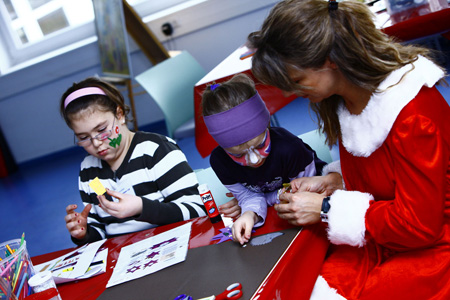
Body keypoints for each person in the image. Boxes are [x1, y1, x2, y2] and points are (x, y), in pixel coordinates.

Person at [247, 0, 450, 299]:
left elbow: (420, 226)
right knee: (306, 287)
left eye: (297, 80)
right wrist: (335, 181)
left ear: (330, 59)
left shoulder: (412, 113)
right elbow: (389, 172)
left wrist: (327, 209)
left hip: (433, 243)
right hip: (383, 233)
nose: (292, 93)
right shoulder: (345, 98)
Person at [60, 77, 206, 246]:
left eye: (101, 130)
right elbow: (100, 228)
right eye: (83, 138)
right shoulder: (89, 171)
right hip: (126, 258)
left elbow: (197, 209)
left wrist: (142, 207)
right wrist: (84, 233)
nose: (96, 143)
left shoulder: (155, 150)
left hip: (175, 246)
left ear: (119, 115)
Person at [202, 73, 330, 244]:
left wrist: (255, 202)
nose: (255, 160)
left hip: (318, 203)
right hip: (279, 213)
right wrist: (249, 214)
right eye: (239, 154)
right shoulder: (219, 162)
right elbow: (247, 197)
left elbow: (302, 196)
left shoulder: (289, 147)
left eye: (260, 145)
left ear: (267, 125)